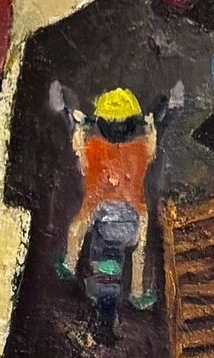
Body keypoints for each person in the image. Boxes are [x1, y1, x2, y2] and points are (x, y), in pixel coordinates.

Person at [54, 85, 180, 311]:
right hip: (132, 217)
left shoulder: (92, 147)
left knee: (76, 228)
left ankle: (70, 263)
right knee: (140, 247)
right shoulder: (140, 149)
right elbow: (152, 148)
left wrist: (79, 127)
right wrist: (151, 127)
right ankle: (137, 291)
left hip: (98, 213)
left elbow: (79, 152)